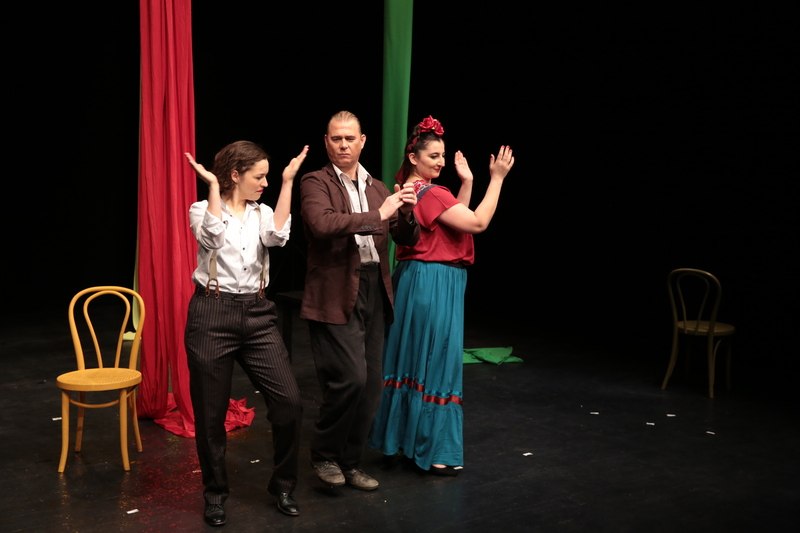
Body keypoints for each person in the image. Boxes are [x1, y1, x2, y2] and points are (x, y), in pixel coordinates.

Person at [368, 115, 515, 476]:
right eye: (433, 155)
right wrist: (496, 180)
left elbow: (453, 222)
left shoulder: (412, 189)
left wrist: (467, 182)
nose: (440, 161)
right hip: (434, 281)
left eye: (443, 155)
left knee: (413, 359)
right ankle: (435, 451)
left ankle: (398, 441)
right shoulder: (431, 192)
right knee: (437, 358)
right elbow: (477, 223)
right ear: (414, 157)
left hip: (420, 280)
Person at [184, 140, 309, 526]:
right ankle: (215, 492)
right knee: (210, 415)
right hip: (212, 313)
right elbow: (213, 239)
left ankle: (283, 484)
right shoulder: (202, 209)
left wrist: (289, 182)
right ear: (235, 175)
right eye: (260, 176)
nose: (265, 183)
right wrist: (211, 187)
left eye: (268, 176)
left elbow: (277, 238)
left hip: (257, 314)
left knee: (289, 401)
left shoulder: (263, 212)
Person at [299, 110, 420, 492]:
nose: (344, 145)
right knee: (350, 378)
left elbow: (406, 237)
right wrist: (378, 215)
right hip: (336, 288)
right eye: (336, 138)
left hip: (373, 287)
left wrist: (406, 211)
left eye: (350, 138)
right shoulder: (314, 182)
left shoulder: (378, 186)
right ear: (327, 142)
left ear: (363, 141)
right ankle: (324, 454)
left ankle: (350, 463)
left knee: (371, 387)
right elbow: (323, 224)